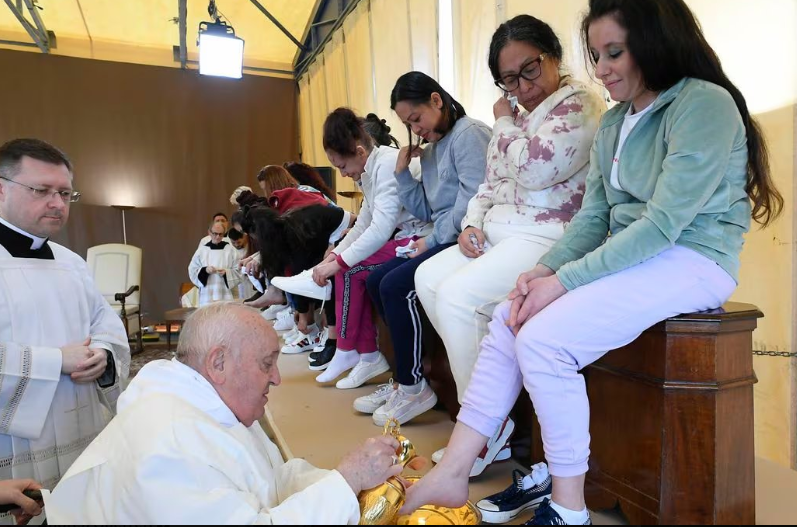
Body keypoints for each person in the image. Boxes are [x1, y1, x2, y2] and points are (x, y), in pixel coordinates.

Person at [400, 0, 783, 524]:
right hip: (637, 257)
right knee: (512, 313)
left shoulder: (703, 104)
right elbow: (592, 218)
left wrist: (564, 282)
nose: (600, 68)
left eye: (614, 53)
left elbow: (663, 225)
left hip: (694, 259)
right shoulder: (616, 121)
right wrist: (543, 271)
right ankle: (454, 470)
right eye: (596, 54)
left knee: (544, 339)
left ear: (654, 43)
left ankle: (568, 506)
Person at [413, 15, 605, 476]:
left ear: (554, 57)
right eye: (509, 79)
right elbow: (489, 182)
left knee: (459, 297)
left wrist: (503, 125)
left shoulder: (579, 104)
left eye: (530, 70)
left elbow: (537, 169)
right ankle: (489, 410)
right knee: (426, 277)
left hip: (548, 234)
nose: (521, 86)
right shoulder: (517, 118)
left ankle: (480, 428)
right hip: (497, 231)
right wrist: (470, 223)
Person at [45, 303, 414, 524]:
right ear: (218, 362)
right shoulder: (169, 443)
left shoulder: (205, 401)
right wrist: (345, 483)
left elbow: (273, 479)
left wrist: (350, 481)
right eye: (267, 363)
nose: (277, 378)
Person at [0, 139, 130, 520]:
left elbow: (106, 324)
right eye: (41, 190)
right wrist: (56, 360)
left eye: (64, 193)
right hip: (14, 449)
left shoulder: (72, 262)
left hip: (80, 431)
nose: (57, 203)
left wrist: (104, 354)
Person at [363, 72, 491, 426]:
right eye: (407, 124)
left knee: (394, 284)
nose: (414, 129)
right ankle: (409, 376)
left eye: (415, 119)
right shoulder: (434, 147)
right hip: (444, 235)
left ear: (437, 100)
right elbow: (427, 209)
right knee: (375, 281)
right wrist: (404, 173)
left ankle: (413, 384)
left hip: (468, 237)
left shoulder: (469, 134)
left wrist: (430, 241)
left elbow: (473, 204)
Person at [299, 109, 430, 387]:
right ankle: (362, 354)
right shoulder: (370, 169)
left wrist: (338, 263)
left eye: (343, 167)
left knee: (350, 268)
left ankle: (353, 352)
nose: (344, 175)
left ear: (359, 152)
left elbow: (380, 229)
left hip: (418, 236)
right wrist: (334, 256)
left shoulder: (384, 166)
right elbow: (364, 225)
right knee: (346, 266)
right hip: (402, 235)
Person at [188, 221, 241, 306]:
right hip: (207, 293)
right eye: (215, 233)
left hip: (225, 292)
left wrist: (226, 273)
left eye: (221, 234)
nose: (217, 237)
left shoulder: (230, 250)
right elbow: (192, 270)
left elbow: (239, 269)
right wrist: (205, 270)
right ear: (209, 232)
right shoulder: (202, 250)